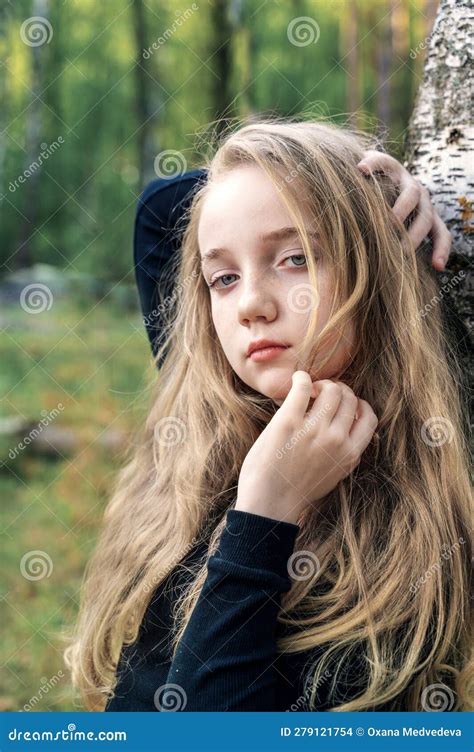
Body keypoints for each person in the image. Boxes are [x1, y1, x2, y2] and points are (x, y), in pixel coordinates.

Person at [63, 118, 471, 712]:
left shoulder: (411, 532)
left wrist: (266, 512)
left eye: (296, 258)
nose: (250, 304)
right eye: (222, 278)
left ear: (377, 267)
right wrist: (352, 187)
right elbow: (164, 210)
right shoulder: (215, 402)